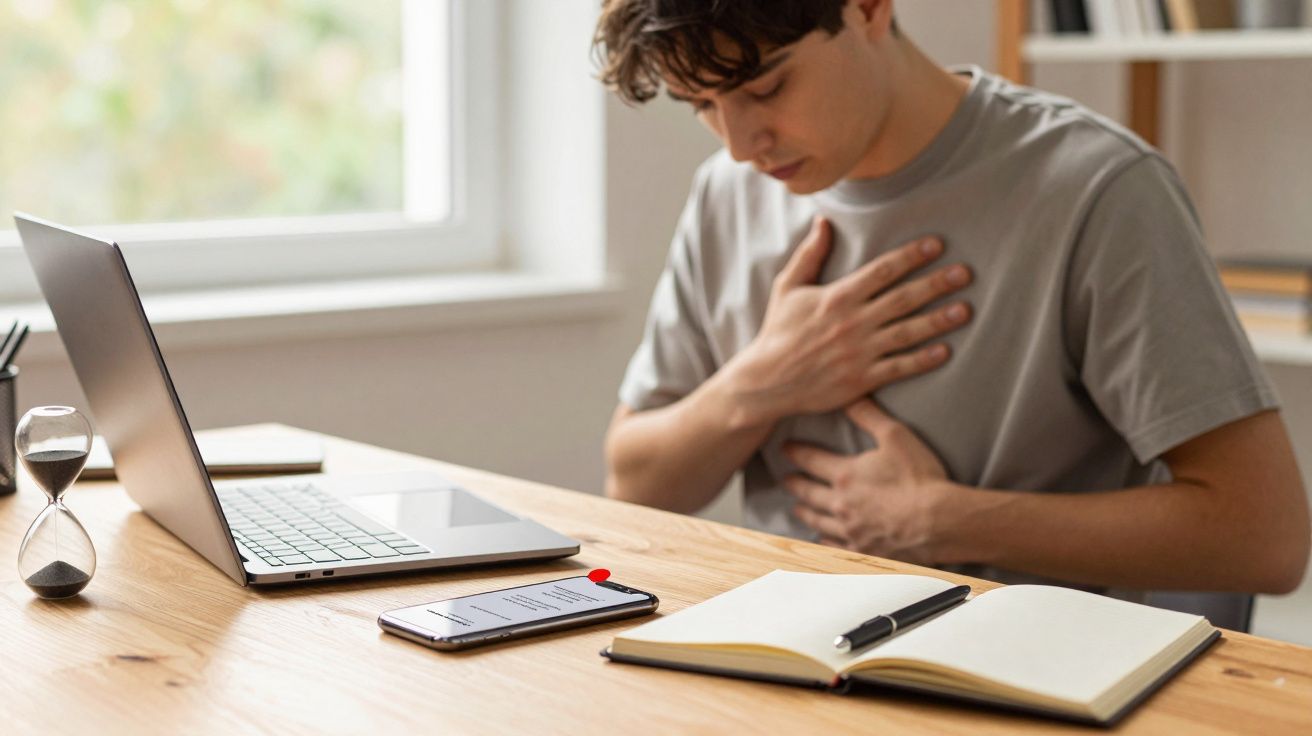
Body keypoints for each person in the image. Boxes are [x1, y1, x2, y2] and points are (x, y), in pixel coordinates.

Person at [592, 0, 1309, 595]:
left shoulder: (1098, 189)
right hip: (786, 666)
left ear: (869, 8)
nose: (742, 144)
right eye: (701, 107)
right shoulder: (727, 193)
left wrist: (946, 520)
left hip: (1030, 676)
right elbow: (634, 484)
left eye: (766, 89)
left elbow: (1266, 540)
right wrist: (761, 383)